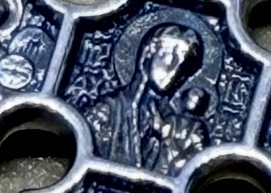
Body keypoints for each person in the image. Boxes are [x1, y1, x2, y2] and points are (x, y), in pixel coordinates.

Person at [86, 23, 205, 171]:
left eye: (183, 64)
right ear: (150, 51)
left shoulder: (181, 128)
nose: (175, 70)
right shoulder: (107, 112)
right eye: (171, 56)